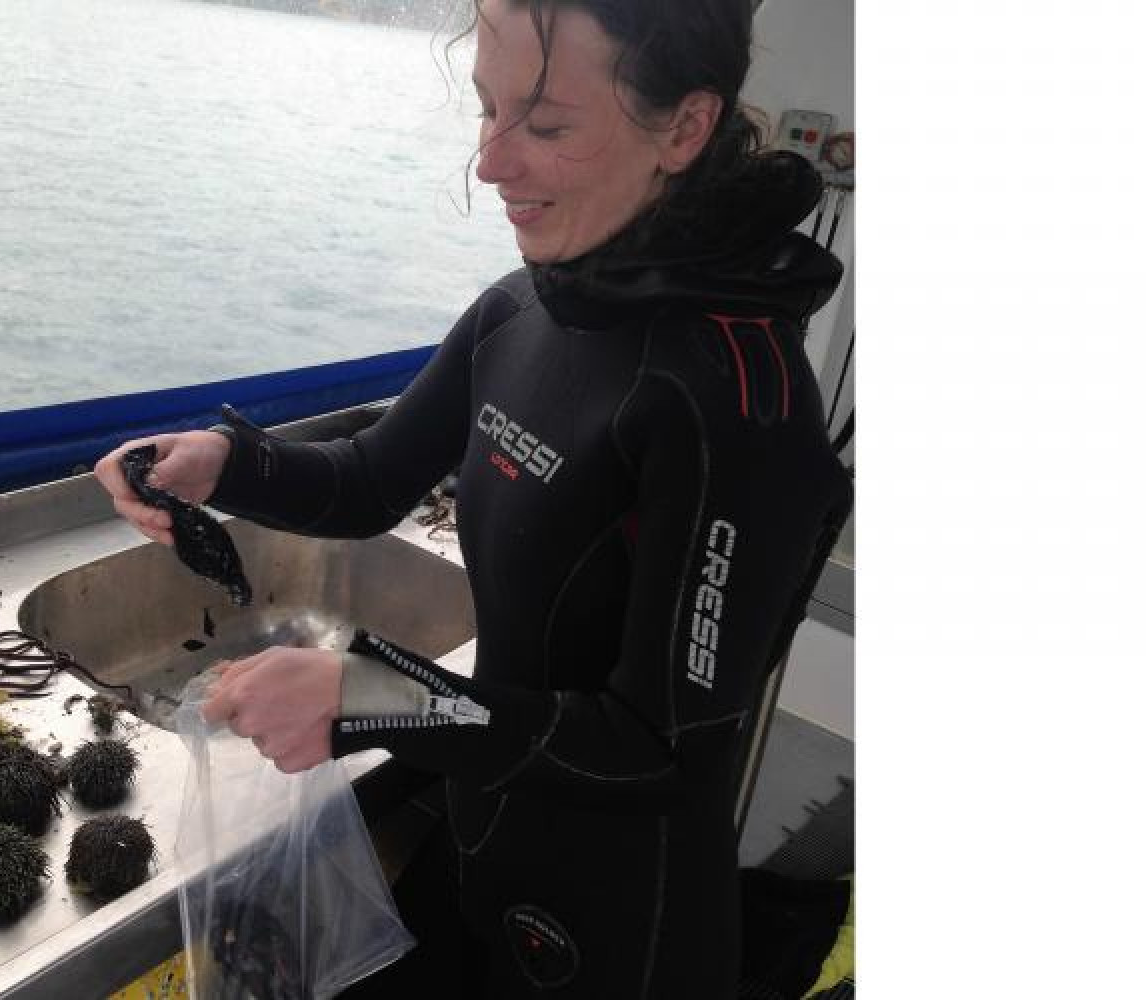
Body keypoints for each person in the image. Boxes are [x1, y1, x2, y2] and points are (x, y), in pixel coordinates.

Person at [94, 0, 851, 995]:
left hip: (628, 931)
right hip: (486, 851)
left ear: (685, 127)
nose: (491, 164)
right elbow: (369, 480)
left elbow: (655, 746)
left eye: (544, 125)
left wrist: (360, 694)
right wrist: (222, 461)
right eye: (488, 112)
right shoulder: (523, 305)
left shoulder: (738, 402)